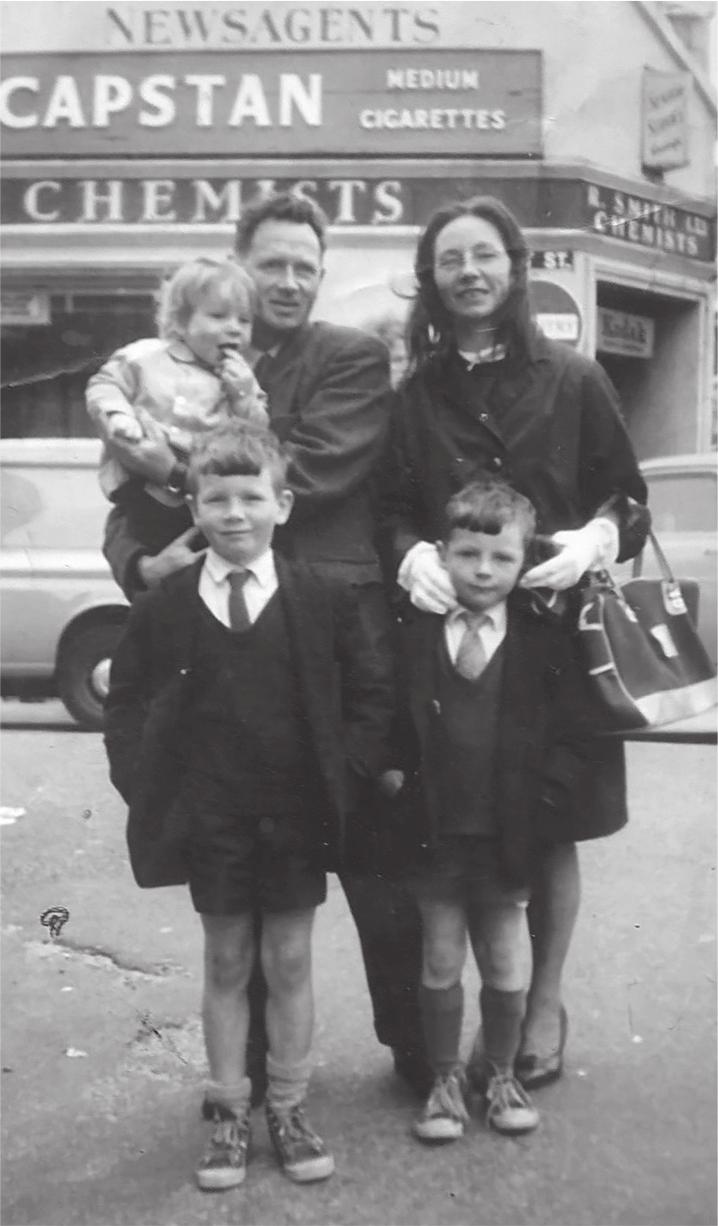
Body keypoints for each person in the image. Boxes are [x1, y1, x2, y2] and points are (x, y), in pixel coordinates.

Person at [96, 191, 429, 1096]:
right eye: (271, 264)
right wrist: (142, 565)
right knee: (241, 870)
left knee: (370, 855)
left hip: (329, 632)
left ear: (322, 279)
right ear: (238, 264)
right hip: (217, 628)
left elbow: (306, 476)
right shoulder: (181, 359)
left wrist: (193, 494)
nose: (287, 282)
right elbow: (129, 499)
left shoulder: (348, 358)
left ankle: (417, 1050)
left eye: (304, 268)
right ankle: (245, 1077)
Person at [381, 194, 650, 1089]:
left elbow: (629, 496)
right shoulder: (416, 393)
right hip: (453, 647)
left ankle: (543, 1003)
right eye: (451, 258)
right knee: (460, 823)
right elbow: (387, 506)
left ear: (514, 266)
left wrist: (597, 539)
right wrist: (409, 551)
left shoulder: (572, 377)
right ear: (432, 279)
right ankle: (471, 1027)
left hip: (556, 639)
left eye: (485, 255)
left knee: (552, 825)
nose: (469, 272)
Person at [104, 423, 395, 1191]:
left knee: (290, 959)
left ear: (284, 503)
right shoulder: (168, 602)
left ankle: (291, 1108)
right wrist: (146, 783)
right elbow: (126, 698)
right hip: (213, 815)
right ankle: (230, 1111)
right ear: (194, 508)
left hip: (295, 812)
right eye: (217, 499)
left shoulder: (319, 597)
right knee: (228, 958)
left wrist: (352, 774)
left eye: (251, 497)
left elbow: (370, 694)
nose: (235, 514)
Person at [382, 479, 601, 1143]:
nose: (483, 570)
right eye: (468, 553)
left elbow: (572, 732)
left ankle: (500, 1074)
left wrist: (544, 802)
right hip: (436, 836)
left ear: (523, 563)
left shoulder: (540, 637)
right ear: (440, 554)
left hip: (506, 836)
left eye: (501, 558)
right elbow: (388, 720)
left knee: (507, 962)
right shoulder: (413, 633)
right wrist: (393, 782)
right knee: (441, 961)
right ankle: (446, 1079)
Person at [86, 257, 267, 517]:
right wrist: (120, 416)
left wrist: (243, 396)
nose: (234, 329)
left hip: (197, 499)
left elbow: (258, 439)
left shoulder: (243, 379)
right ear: (180, 322)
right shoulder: (145, 357)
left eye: (244, 320)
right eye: (218, 316)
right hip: (136, 490)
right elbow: (104, 385)